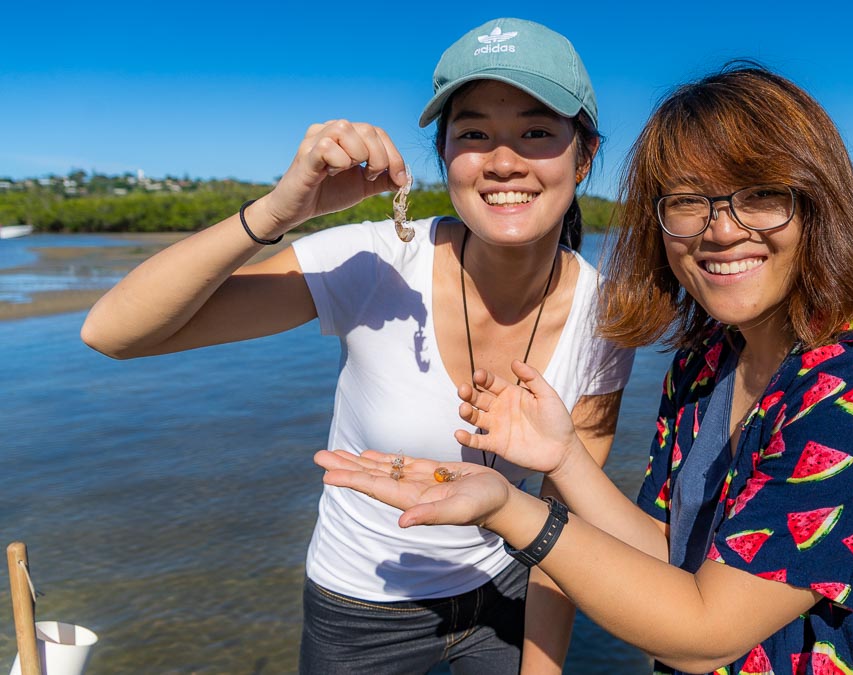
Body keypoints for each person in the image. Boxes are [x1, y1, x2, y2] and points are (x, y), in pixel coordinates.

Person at [315, 63, 853, 675]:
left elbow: (707, 632)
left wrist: (512, 510)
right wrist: (566, 457)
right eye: (687, 200)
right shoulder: (706, 359)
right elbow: (668, 551)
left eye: (761, 195)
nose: (720, 230)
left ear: (818, 202)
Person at [81, 18, 634, 675]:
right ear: (445, 153)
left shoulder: (608, 316)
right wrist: (281, 211)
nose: (503, 161)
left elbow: (562, 522)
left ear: (586, 154)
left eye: (537, 132)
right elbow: (112, 332)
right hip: (362, 604)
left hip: (507, 586)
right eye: (475, 132)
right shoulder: (377, 260)